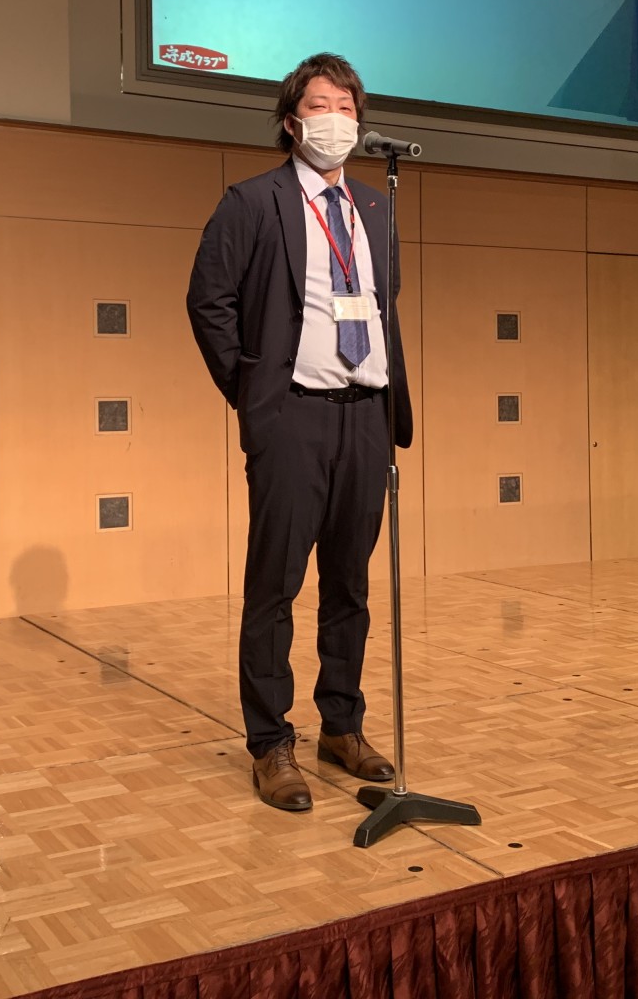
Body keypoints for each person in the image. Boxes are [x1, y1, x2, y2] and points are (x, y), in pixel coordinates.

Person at [186, 52, 413, 812]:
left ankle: (341, 726)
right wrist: (255, 396)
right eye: (321, 105)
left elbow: (382, 304)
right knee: (275, 585)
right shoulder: (253, 202)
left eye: (347, 107)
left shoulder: (375, 207)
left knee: (350, 584)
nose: (336, 120)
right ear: (292, 121)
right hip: (292, 416)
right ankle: (270, 743)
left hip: (365, 414)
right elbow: (208, 300)